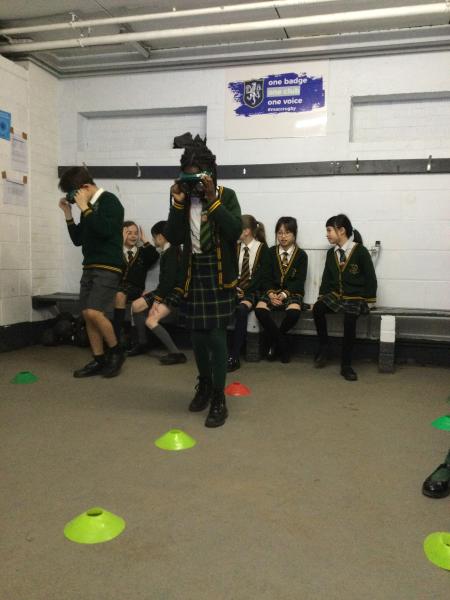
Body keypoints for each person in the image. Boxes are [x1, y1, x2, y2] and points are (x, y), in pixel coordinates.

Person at [165, 140, 242, 428]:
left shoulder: (226, 195)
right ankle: (205, 384)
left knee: (217, 336)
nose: (192, 184)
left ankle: (219, 397)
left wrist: (212, 199)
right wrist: (177, 202)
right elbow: (174, 236)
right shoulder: (184, 200)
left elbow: (234, 230)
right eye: (187, 178)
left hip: (218, 274)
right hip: (194, 272)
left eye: (196, 177)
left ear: (209, 174)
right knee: (197, 336)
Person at [58, 166, 125, 378]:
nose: (73, 198)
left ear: (85, 187)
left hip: (108, 266)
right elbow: (78, 239)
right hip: (89, 266)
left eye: (74, 193)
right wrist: (69, 214)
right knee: (87, 315)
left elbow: (105, 230)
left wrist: (85, 208)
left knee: (94, 312)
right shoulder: (86, 207)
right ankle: (98, 359)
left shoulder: (110, 201)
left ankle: (116, 351)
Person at [313, 213, 377, 381]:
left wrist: (369, 301)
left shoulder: (360, 251)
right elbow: (326, 278)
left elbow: (370, 277)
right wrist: (322, 297)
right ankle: (324, 346)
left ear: (341, 231)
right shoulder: (331, 253)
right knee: (318, 308)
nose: (327, 234)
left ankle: (346, 364)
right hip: (337, 296)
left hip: (355, 297)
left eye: (329, 230)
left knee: (350, 319)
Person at [127, 221, 186, 365]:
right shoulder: (168, 250)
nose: (153, 241)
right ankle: (143, 343)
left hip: (174, 294)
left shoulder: (172, 251)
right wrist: (155, 295)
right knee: (136, 306)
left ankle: (176, 354)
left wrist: (156, 300)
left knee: (151, 320)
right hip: (166, 290)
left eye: (154, 238)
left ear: (160, 237)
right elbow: (166, 282)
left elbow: (169, 281)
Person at [255, 217, 308, 363]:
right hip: (272, 291)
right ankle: (282, 344)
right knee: (260, 310)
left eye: (287, 233)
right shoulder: (270, 252)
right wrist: (271, 294)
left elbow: (299, 281)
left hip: (292, 292)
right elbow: (265, 277)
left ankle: (274, 342)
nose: (283, 236)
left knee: (293, 313)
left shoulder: (301, 255)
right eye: (279, 233)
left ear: (294, 234)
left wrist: (284, 294)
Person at [227, 214, 269, 372]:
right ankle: (220, 350)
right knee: (221, 306)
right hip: (236, 288)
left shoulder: (262, 249)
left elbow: (262, 277)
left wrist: (245, 291)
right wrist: (234, 288)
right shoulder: (236, 247)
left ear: (246, 231)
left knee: (241, 310)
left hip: (254, 290)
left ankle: (234, 356)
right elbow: (231, 270)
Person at [113, 221, 159, 343]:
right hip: (116, 288)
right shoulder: (116, 252)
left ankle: (117, 336)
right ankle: (116, 336)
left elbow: (154, 256)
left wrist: (145, 240)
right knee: (118, 293)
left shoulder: (142, 252)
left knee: (120, 294)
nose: (133, 236)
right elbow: (111, 263)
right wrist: (120, 243)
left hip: (135, 289)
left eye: (136, 233)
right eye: (129, 233)